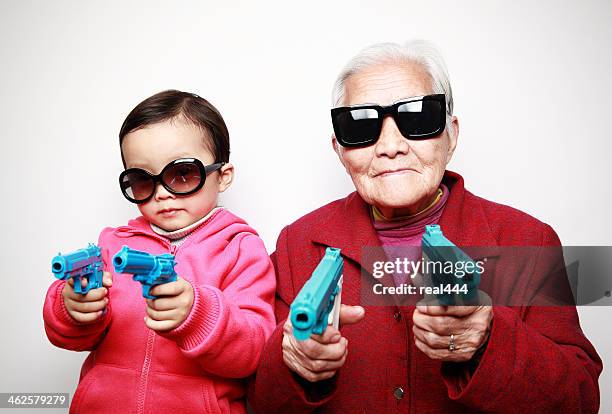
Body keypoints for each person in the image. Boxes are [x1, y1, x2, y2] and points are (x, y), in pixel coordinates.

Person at [249, 41, 602, 413]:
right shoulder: (297, 244)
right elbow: (260, 401)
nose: (390, 146)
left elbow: (579, 400)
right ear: (339, 149)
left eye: (417, 119)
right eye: (361, 125)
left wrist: (487, 341)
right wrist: (292, 364)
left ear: (451, 135)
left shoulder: (529, 240)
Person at [43, 90, 276, 413]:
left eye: (182, 174)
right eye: (142, 180)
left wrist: (198, 315)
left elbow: (255, 351)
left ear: (222, 177)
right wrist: (71, 308)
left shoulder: (240, 248)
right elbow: (72, 337)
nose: (162, 193)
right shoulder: (112, 244)